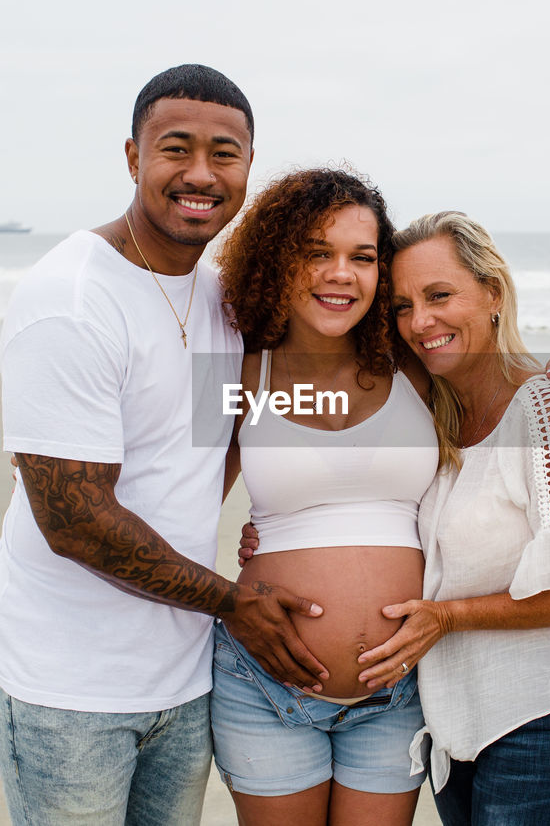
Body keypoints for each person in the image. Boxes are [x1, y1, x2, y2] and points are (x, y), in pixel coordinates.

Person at [0, 65, 328, 826]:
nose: (201, 173)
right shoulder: (71, 299)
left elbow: (219, 432)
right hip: (65, 686)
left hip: (179, 676)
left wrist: (537, 372)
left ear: (246, 168)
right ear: (134, 158)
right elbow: (73, 521)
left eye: (225, 153)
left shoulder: (219, 295)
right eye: (177, 148)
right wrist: (233, 602)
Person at [356, 211, 550, 825]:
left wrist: (445, 618)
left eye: (440, 295)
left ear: (494, 294)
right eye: (402, 306)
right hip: (454, 724)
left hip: (536, 719)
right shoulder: (438, 417)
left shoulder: (549, 410)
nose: (421, 321)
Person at [211, 168, 438, 826]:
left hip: (396, 692)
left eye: (362, 257)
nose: (342, 273)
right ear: (279, 260)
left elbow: (501, 390)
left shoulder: (415, 363)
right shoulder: (239, 370)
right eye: (318, 252)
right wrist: (230, 582)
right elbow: (183, 504)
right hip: (263, 687)